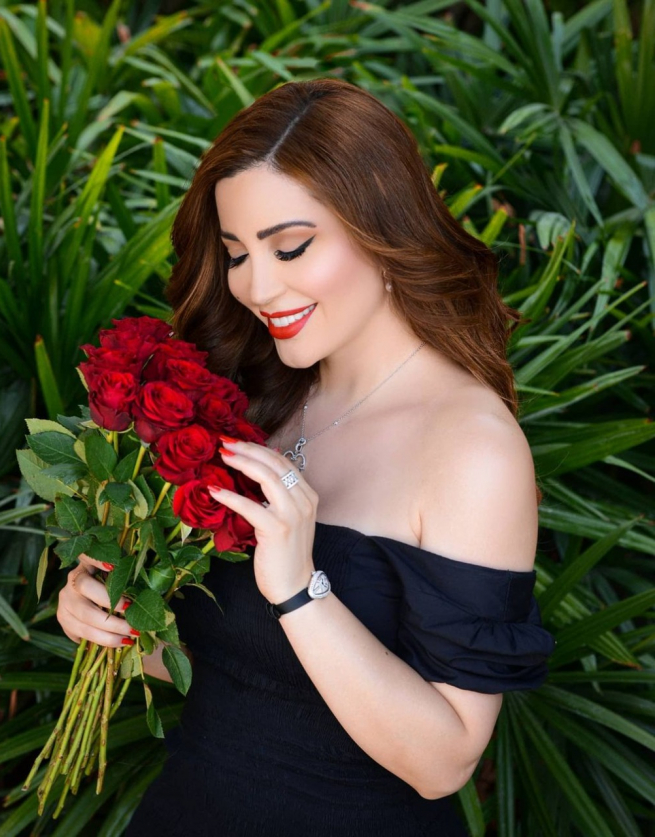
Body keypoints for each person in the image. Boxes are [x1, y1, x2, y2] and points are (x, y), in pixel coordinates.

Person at [57, 78, 556, 836]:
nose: (257, 286)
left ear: (383, 230)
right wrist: (114, 619)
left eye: (291, 246)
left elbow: (445, 760)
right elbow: (230, 668)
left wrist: (299, 589)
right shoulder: (254, 395)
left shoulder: (472, 449)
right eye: (236, 253)